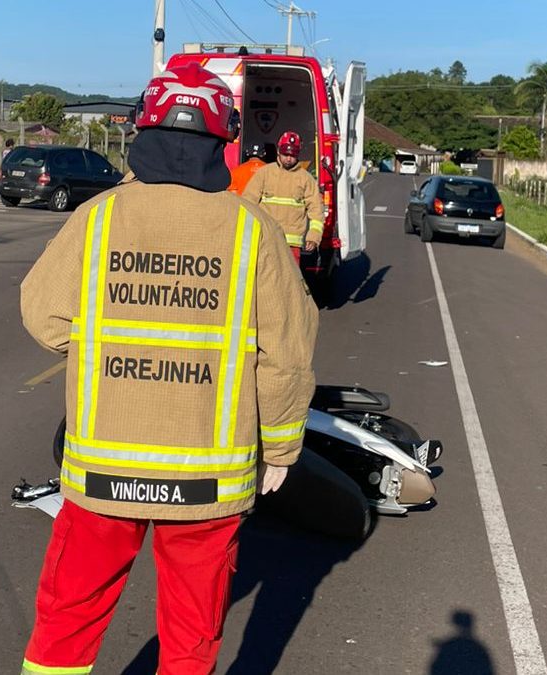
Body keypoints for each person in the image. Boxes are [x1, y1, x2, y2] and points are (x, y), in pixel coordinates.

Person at [18, 61, 318, 675]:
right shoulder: (251, 230)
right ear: (223, 140)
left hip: (105, 472)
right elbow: (287, 349)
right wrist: (282, 449)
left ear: (141, 130)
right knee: (190, 636)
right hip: (209, 483)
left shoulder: (98, 216)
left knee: (67, 621)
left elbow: (45, 317)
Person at [242, 130, 325, 262]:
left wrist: (314, 236)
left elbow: (316, 210)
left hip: (292, 245)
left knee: (289, 281)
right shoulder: (264, 174)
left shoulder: (306, 179)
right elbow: (247, 204)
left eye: (292, 154)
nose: (288, 158)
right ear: (279, 152)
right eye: (285, 153)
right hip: (266, 239)